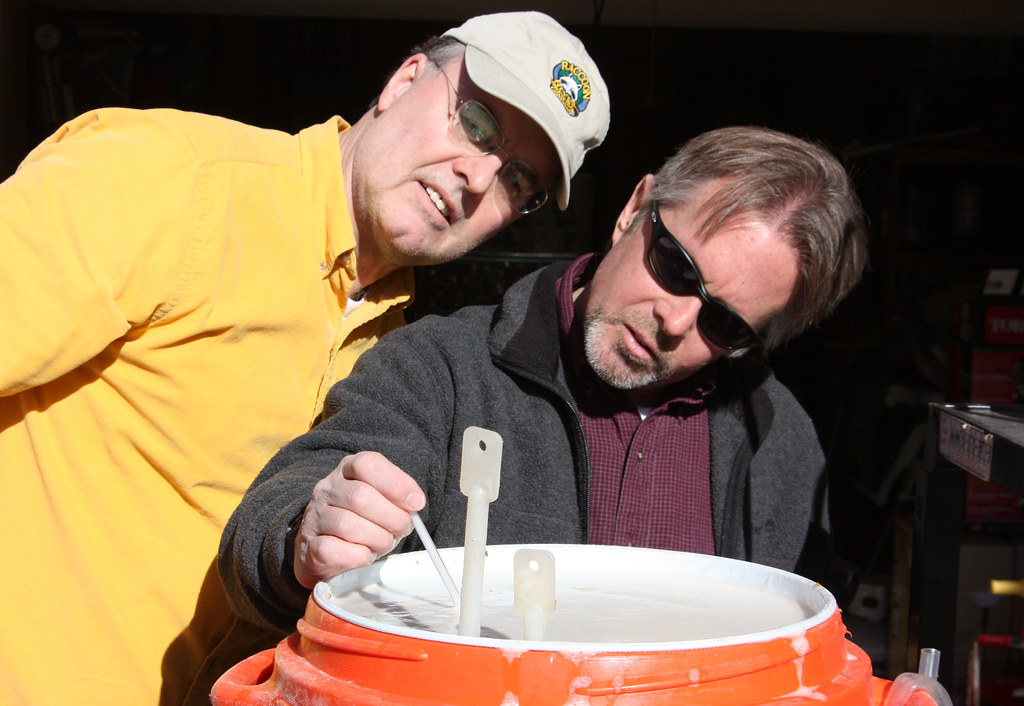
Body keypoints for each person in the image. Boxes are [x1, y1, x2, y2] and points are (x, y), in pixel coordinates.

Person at [0, 11, 609, 706]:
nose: (478, 177)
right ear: (403, 81)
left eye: (517, 180)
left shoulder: (396, 338)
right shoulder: (175, 180)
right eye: (478, 122)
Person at [219, 125, 868, 636]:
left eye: (724, 323)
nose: (675, 320)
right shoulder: (441, 370)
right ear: (634, 209)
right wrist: (305, 537)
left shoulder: (775, 439)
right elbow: (261, 541)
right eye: (674, 266)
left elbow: (800, 653)